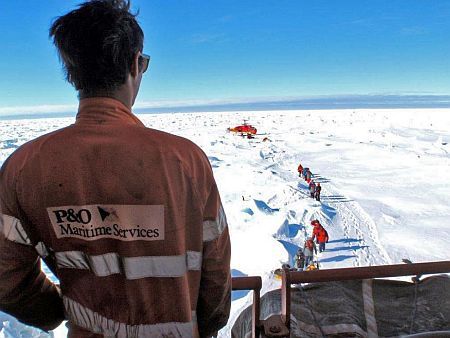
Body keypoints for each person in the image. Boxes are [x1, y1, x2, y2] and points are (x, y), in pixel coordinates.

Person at [0, 1, 231, 337]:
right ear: (136, 64)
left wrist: (58, 312)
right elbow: (216, 272)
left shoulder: (24, 168)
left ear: (70, 71)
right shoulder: (186, 161)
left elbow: (6, 277)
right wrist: (205, 324)